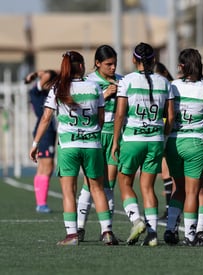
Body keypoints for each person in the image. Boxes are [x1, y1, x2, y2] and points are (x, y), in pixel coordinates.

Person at [29, 50, 117, 245]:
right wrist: (91, 133)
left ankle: (72, 235)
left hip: (68, 145)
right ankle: (107, 232)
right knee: (98, 189)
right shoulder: (94, 86)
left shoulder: (59, 87)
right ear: (82, 66)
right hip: (93, 144)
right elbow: (101, 118)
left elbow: (45, 118)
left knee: (69, 192)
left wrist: (35, 144)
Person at [111, 42, 174, 246]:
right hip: (155, 140)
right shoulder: (165, 83)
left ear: (133, 60)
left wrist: (115, 141)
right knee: (148, 187)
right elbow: (170, 118)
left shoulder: (126, 81)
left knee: (125, 183)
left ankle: (137, 220)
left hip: (132, 140)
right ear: (154, 60)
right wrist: (162, 137)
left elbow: (120, 113)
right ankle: (153, 234)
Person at [163, 48, 203, 246]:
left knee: (178, 188)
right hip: (195, 143)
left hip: (172, 141)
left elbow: (167, 113)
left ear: (182, 66)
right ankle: (190, 234)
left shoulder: (173, 86)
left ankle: (170, 229)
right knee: (193, 192)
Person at [76, 45, 123, 241]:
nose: (112, 68)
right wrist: (104, 95)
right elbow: (82, 109)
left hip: (113, 135)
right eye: (108, 64)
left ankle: (107, 230)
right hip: (95, 135)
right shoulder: (89, 81)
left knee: (108, 185)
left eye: (114, 64)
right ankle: (79, 227)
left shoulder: (121, 80)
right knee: (90, 183)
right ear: (97, 63)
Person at [25, 69, 58, 213]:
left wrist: (36, 73)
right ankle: (41, 203)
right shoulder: (37, 90)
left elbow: (55, 74)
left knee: (43, 168)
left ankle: (41, 203)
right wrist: (38, 73)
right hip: (44, 132)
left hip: (47, 131)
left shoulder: (44, 92)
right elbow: (49, 75)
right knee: (47, 166)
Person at [154, 61, 174, 220]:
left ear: (165, 73)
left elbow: (172, 114)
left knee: (173, 172)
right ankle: (169, 208)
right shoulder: (156, 87)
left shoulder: (172, 86)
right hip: (162, 132)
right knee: (165, 172)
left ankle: (172, 208)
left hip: (172, 133)